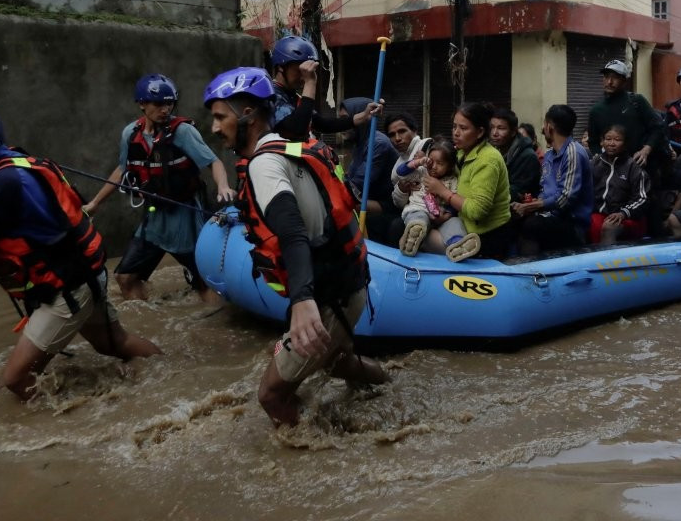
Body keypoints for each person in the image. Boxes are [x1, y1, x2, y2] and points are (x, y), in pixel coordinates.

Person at [0, 102, 161, 401]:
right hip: (81, 275)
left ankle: (76, 425)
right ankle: (170, 372)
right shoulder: (10, 164)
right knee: (114, 344)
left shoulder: (3, 183)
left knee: (16, 380)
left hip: (68, 287)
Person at [204, 67, 389, 427]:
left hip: (327, 295)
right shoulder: (284, 141)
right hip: (347, 280)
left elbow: (292, 232)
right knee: (340, 363)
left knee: (271, 395)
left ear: (247, 114)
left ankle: (312, 463)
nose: (213, 128)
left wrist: (303, 301)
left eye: (219, 117)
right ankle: (388, 384)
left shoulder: (264, 165)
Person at [83, 74, 233, 302]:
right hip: (154, 220)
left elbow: (214, 162)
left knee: (205, 283)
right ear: (142, 104)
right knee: (125, 277)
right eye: (158, 103)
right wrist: (95, 204)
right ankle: (150, 320)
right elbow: (122, 170)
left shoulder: (183, 132)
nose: (165, 109)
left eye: (169, 103)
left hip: (186, 219)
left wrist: (223, 185)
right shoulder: (130, 134)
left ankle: (210, 322)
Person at [423, 102, 514, 259]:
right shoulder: (461, 154)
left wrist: (442, 191)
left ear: (479, 132)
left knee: (420, 236)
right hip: (462, 225)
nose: (456, 133)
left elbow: (477, 211)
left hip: (485, 238)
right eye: (454, 127)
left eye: (463, 128)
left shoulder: (487, 159)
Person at [512, 105, 593, 255]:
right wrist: (528, 203)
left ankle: (531, 271)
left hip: (572, 223)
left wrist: (533, 207)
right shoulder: (549, 155)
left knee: (531, 225)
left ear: (549, 127)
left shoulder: (573, 152)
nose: (543, 129)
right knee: (514, 219)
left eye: (544, 124)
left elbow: (565, 198)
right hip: (549, 217)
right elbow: (544, 192)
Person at [269, 34, 381, 142]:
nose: (305, 76)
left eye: (308, 71)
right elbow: (297, 128)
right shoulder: (270, 95)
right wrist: (310, 82)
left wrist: (363, 116)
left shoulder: (292, 96)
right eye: (300, 70)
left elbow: (322, 124)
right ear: (281, 67)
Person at [395, 138, 478, 259]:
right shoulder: (421, 171)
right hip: (419, 209)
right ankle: (412, 237)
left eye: (440, 163)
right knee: (419, 219)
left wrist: (448, 215)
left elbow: (454, 202)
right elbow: (400, 172)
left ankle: (458, 245)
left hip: (441, 215)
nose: (433, 166)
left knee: (455, 223)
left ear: (450, 166)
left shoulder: (452, 180)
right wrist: (417, 162)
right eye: (431, 161)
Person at [340, 97, 399, 240]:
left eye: (345, 118)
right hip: (368, 197)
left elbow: (358, 182)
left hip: (388, 203)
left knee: (344, 204)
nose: (341, 124)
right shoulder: (360, 143)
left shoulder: (377, 144)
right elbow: (350, 176)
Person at [587, 59, 664, 166]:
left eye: (615, 77)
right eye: (606, 77)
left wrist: (646, 150)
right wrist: (601, 159)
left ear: (624, 81)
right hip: (613, 170)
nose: (610, 81)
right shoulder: (596, 110)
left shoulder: (637, 101)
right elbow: (593, 141)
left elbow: (658, 127)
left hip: (641, 166)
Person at [589, 126, 651, 245]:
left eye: (617, 140)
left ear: (625, 143)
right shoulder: (595, 163)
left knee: (609, 227)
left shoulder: (633, 166)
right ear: (602, 142)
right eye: (608, 139)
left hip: (628, 217)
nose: (612, 143)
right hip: (599, 213)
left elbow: (643, 198)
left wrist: (623, 213)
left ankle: (607, 262)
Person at [489, 108, 541, 203]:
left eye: (501, 128)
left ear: (513, 132)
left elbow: (518, 192)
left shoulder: (528, 156)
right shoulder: (492, 150)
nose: (494, 133)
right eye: (492, 127)